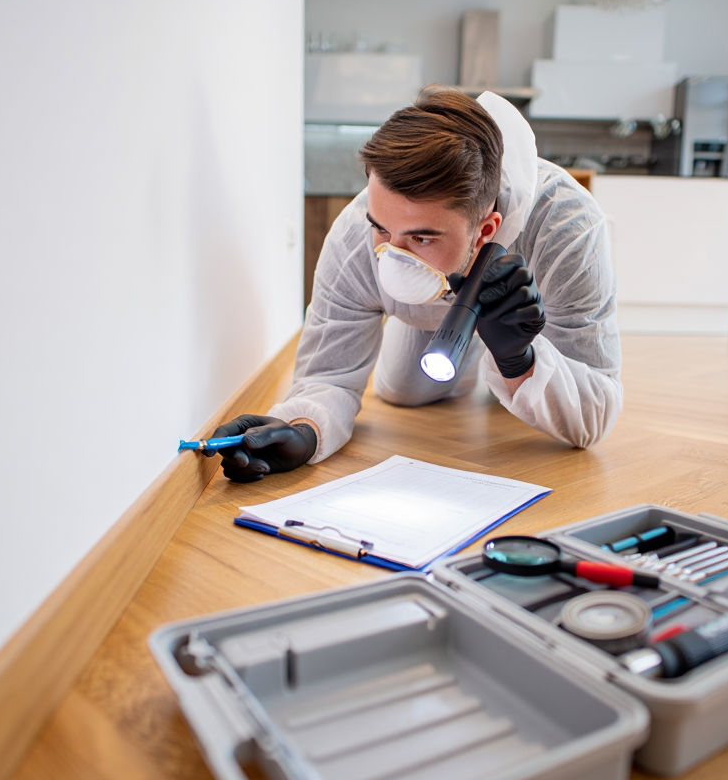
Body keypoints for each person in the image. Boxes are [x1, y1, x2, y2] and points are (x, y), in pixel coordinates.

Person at [209, 87, 621, 483]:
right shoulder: (354, 236)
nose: (392, 256)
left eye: (422, 238)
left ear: (486, 229)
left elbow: (594, 420)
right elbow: (328, 376)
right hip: (422, 324)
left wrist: (518, 359)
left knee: (526, 387)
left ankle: (494, 353)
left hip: (524, 318)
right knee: (402, 390)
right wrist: (303, 429)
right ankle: (470, 347)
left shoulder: (567, 228)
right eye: (382, 229)